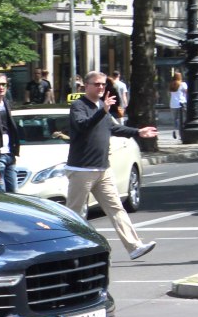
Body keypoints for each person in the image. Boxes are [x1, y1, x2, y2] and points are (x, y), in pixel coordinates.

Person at [66, 71, 158, 260]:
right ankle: (66, 251)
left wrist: (138, 132)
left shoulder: (101, 106)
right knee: (74, 213)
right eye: (96, 84)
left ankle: (134, 246)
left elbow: (114, 128)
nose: (101, 87)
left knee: (116, 208)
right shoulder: (78, 106)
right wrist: (103, 111)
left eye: (103, 85)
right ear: (86, 85)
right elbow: (82, 126)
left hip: (102, 168)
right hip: (82, 169)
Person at [0, 73, 21, 192]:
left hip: (10, 154)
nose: (1, 87)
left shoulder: (7, 103)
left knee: (14, 193)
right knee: (1, 193)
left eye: (4, 84)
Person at [168, 71, 187, 138]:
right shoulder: (182, 84)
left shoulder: (171, 84)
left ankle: (174, 130)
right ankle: (181, 133)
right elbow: (187, 92)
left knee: (175, 119)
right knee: (182, 118)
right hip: (181, 103)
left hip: (172, 104)